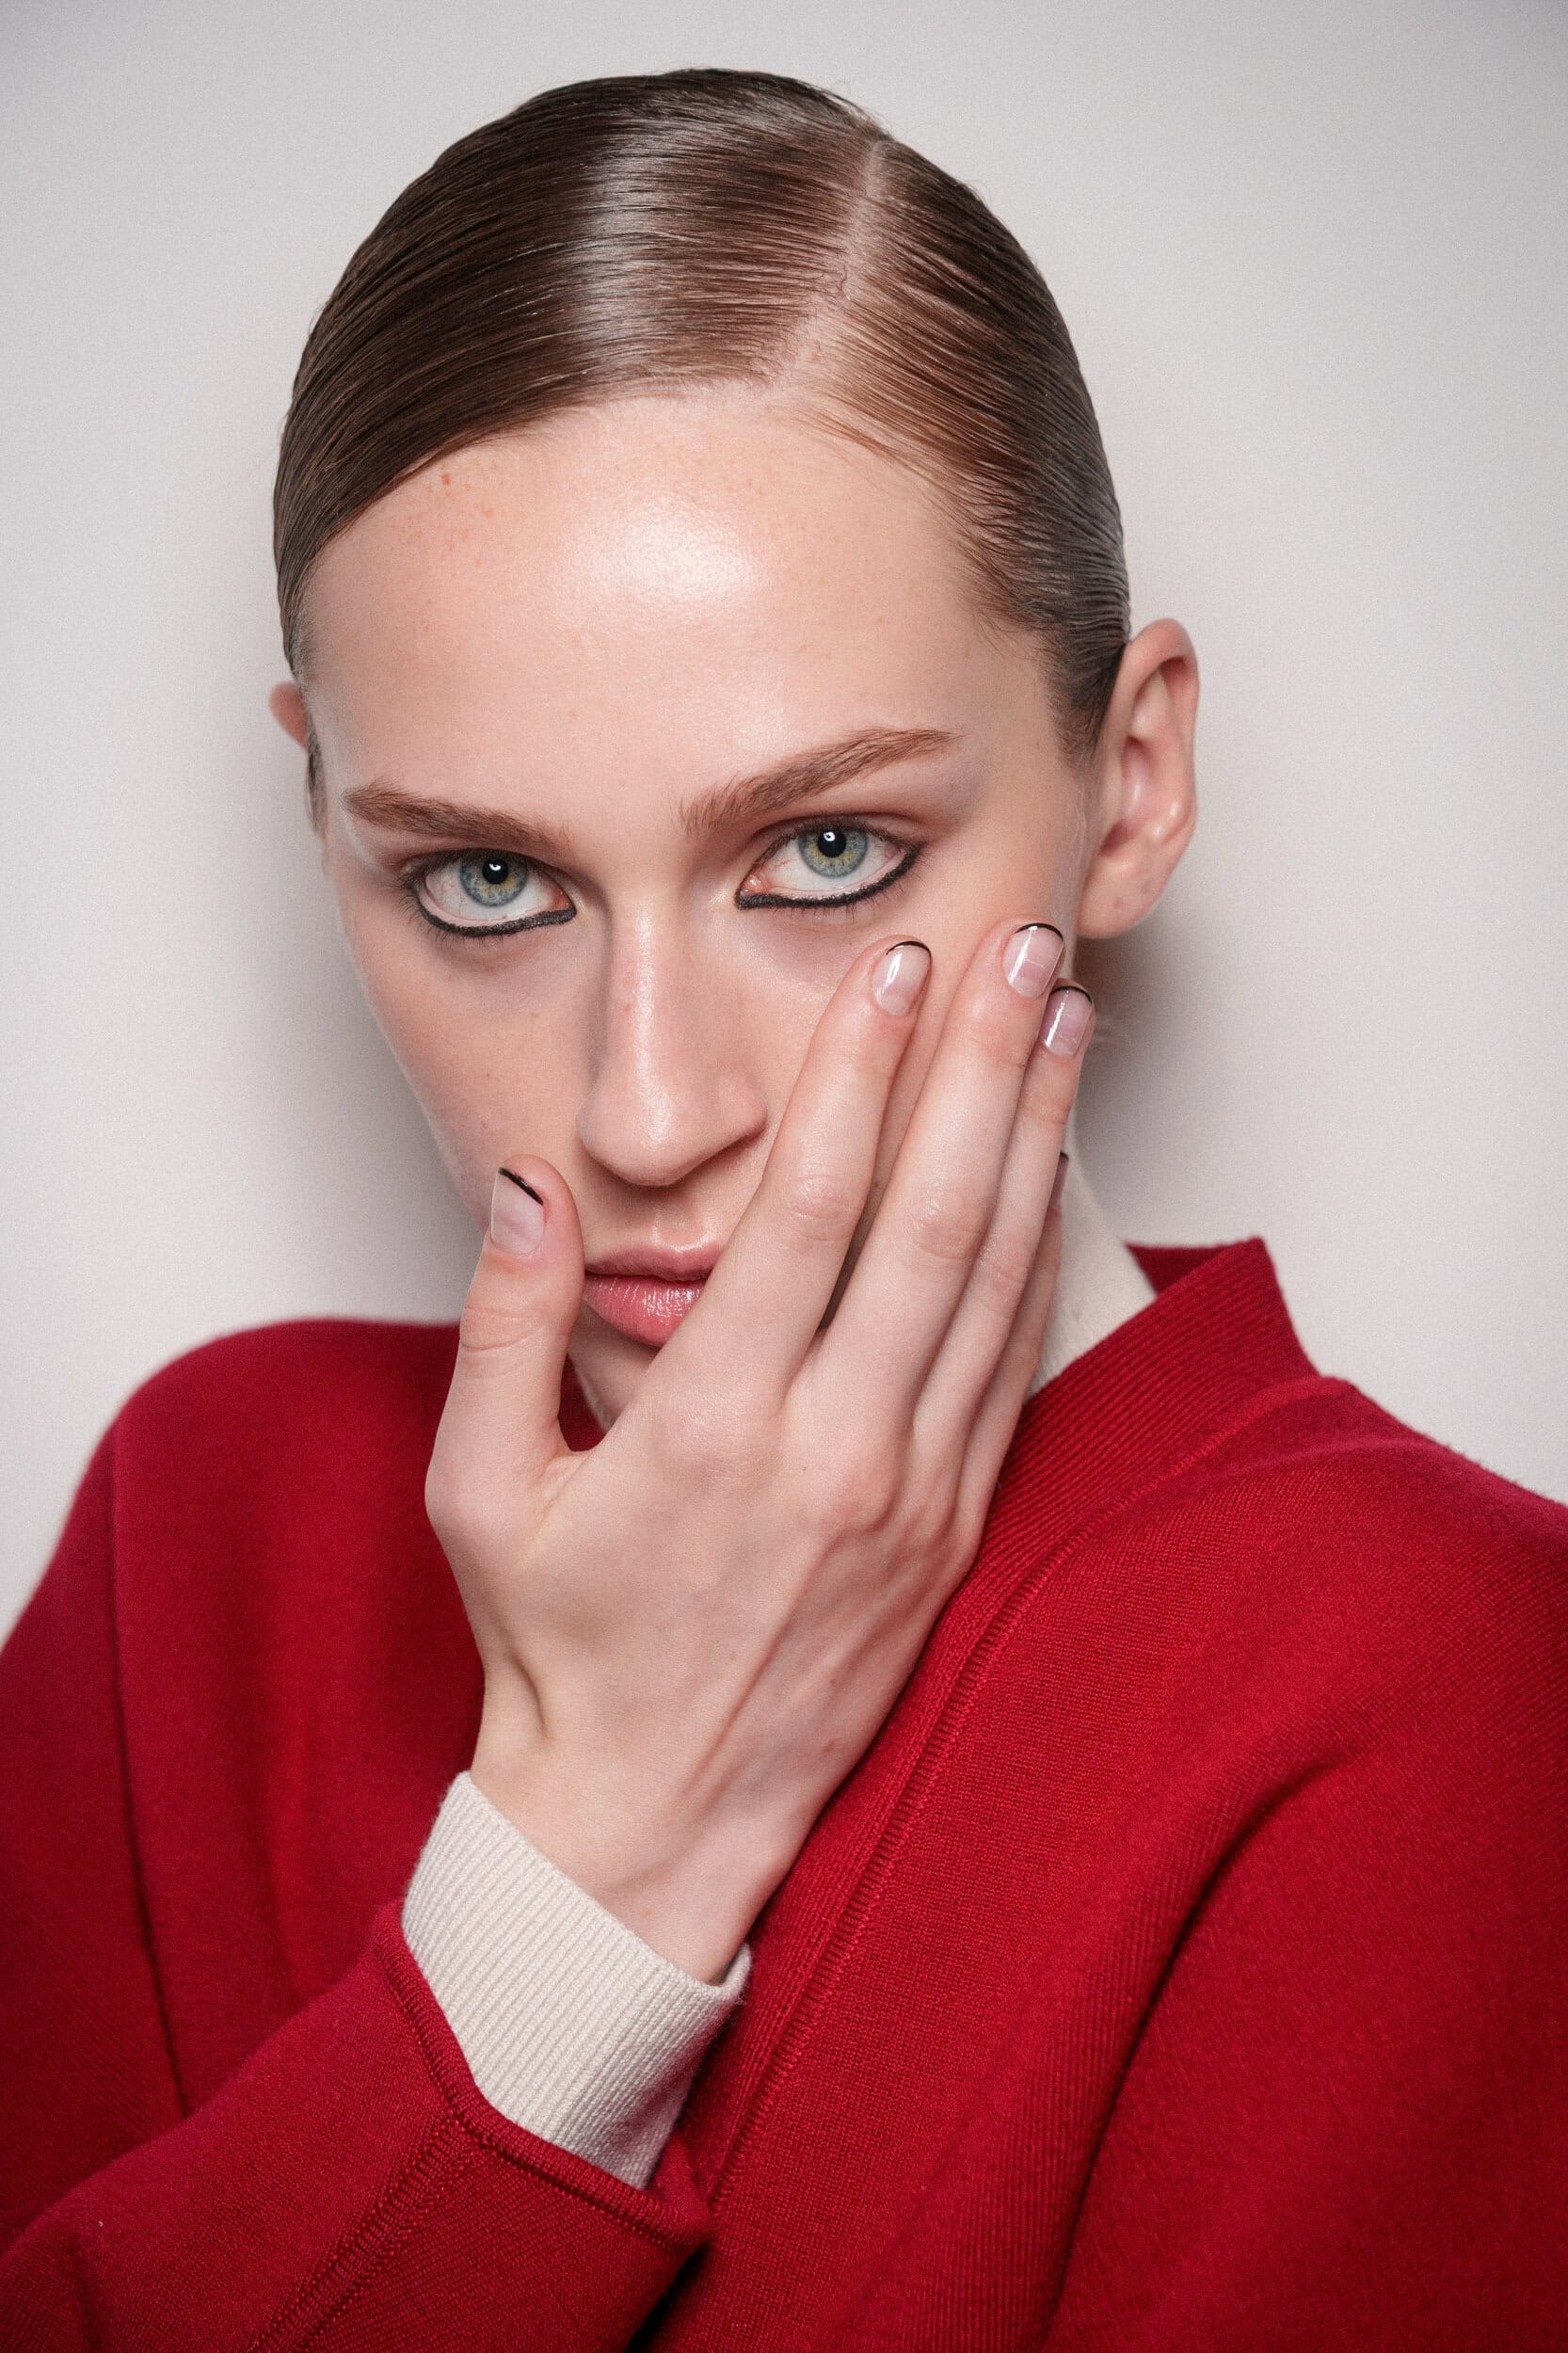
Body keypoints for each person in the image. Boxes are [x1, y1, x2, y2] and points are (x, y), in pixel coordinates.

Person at [1, 64, 1563, 2352]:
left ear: (1129, 782)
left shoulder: (1451, 1684)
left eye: (823, 852)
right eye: (484, 877)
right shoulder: (203, 1536)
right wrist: (578, 1880)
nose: (648, 1108)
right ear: (321, 812)